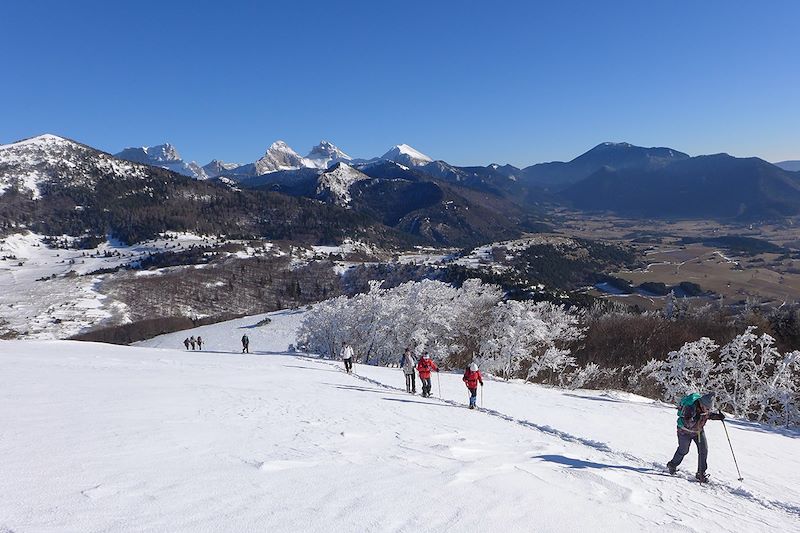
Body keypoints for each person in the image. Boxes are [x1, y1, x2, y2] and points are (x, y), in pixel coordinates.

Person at [666, 392, 725, 482]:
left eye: (709, 409)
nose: (707, 410)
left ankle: (700, 474)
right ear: (701, 404)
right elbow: (688, 422)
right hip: (684, 431)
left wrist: (718, 417)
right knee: (683, 450)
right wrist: (696, 418)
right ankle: (672, 465)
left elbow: (708, 415)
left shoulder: (705, 409)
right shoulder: (690, 408)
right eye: (707, 408)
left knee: (703, 450)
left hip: (698, 431)